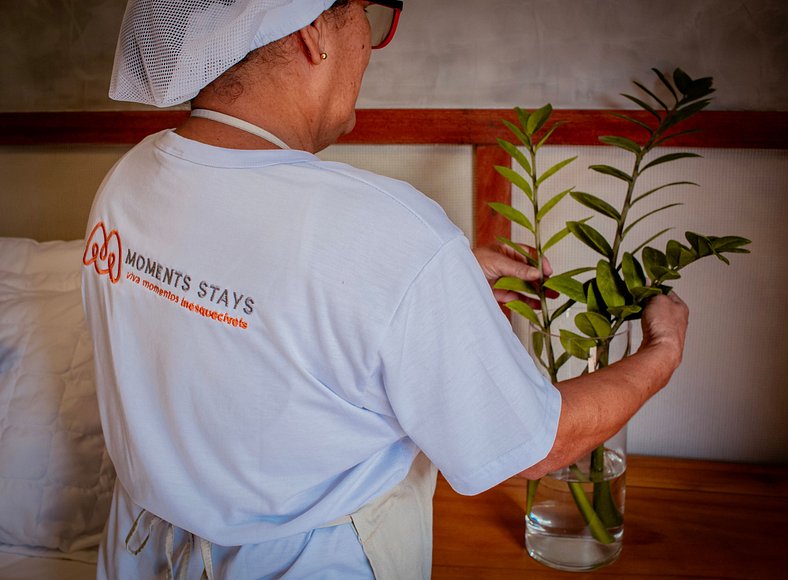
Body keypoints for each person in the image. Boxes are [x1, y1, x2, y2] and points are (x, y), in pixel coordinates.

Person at [81, 1, 689, 578]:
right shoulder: (388, 231)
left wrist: (427, 298)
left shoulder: (127, 179)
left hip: (138, 554)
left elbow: (241, 327)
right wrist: (661, 352)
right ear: (314, 30)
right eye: (369, 17)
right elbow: (535, 444)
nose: (371, 44)